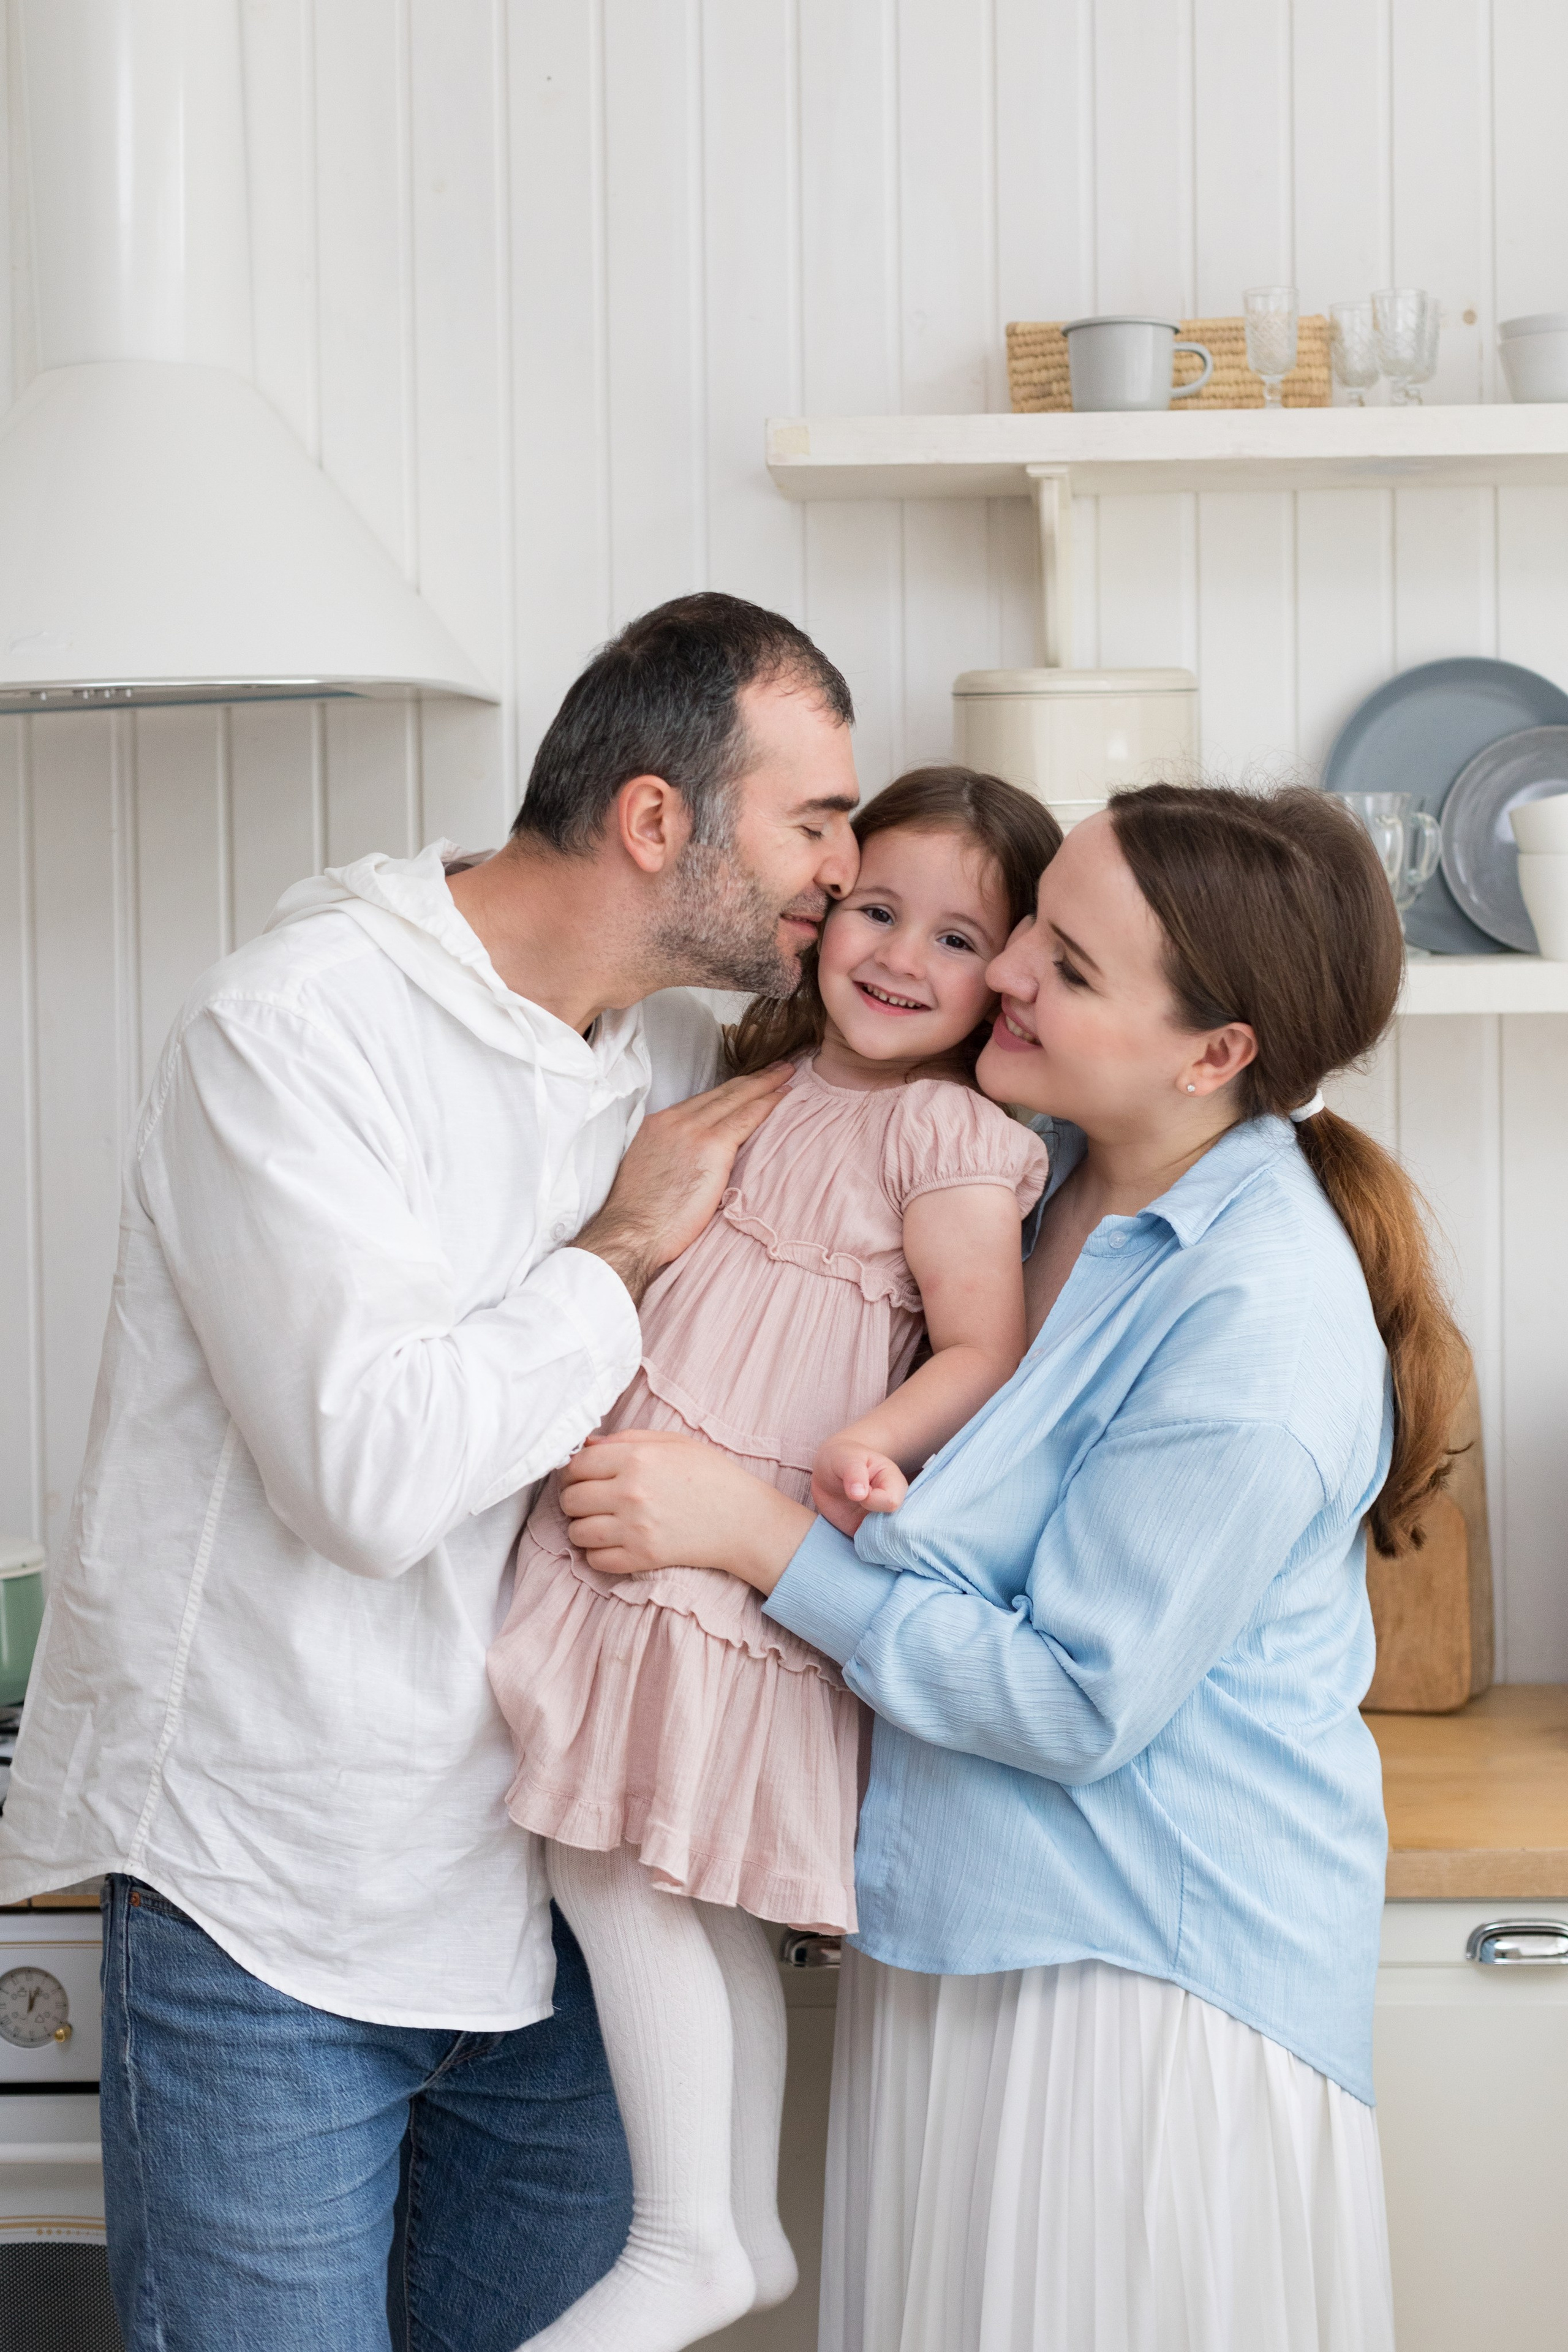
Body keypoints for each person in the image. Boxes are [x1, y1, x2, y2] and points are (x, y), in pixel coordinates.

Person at [0, 592, 861, 2351]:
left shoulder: (663, 1052)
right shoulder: (297, 1027)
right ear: (655, 820)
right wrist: (615, 1252)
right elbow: (369, 1478)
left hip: (559, 1914)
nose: (839, 874)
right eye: (815, 823)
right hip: (281, 1907)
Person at [556, 782, 1469, 2352]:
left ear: (1213, 1055)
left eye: (1072, 964)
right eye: (1036, 924)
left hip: (1138, 1995)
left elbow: (1071, 1699)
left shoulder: (1259, 1327)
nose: (1011, 970)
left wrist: (757, 1538)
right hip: (967, 1937)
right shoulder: (1034, 1174)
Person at [489, 767, 1060, 2352]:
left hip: (735, 1527)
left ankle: (686, 2234)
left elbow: (986, 1346)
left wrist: (874, 1435)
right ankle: (732, 2226)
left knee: (610, 1852)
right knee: (674, 1873)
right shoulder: (768, 1077)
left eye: (956, 938)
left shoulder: (946, 1131)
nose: (899, 956)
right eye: (876, 909)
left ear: (1005, 976)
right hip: (666, 1494)